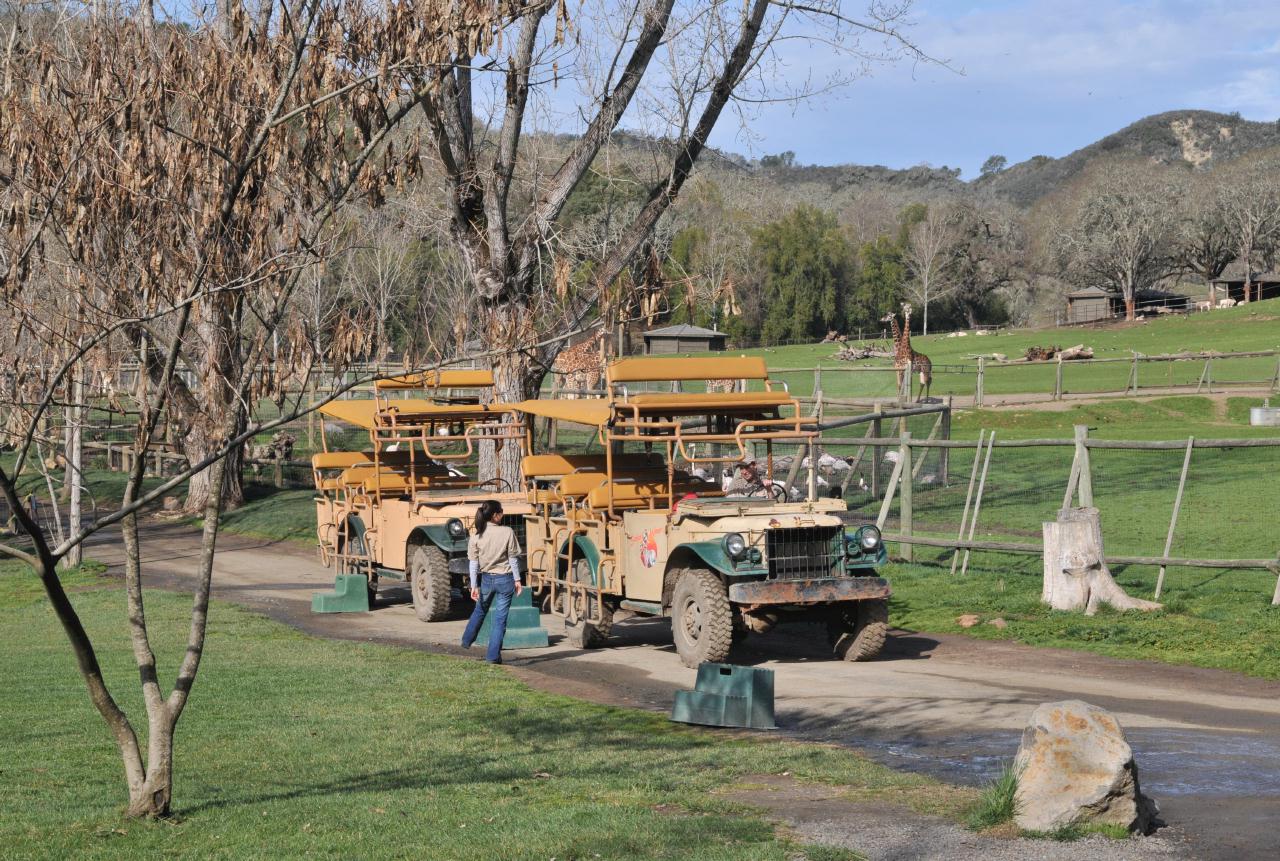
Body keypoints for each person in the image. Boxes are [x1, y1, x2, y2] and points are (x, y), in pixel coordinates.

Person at [460, 500, 523, 664]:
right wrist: (517, 580)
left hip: (486, 579)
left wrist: (474, 585)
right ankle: (493, 656)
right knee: (499, 620)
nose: (503, 514)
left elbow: (473, 564)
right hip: (505, 580)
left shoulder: (476, 536)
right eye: (501, 512)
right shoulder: (507, 532)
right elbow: (513, 559)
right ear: (495, 515)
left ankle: (466, 640)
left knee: (480, 610)